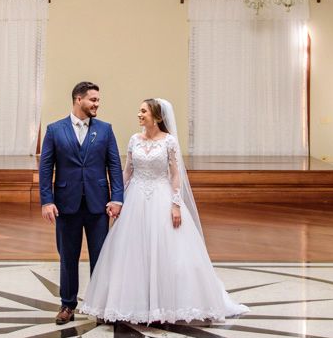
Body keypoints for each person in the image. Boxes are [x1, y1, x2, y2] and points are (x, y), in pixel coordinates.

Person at [79, 98, 248, 324]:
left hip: (162, 197)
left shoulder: (169, 141)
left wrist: (176, 204)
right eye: (139, 110)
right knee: (132, 252)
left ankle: (166, 304)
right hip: (135, 199)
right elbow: (127, 171)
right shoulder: (134, 139)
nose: (139, 114)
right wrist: (116, 198)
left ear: (156, 117)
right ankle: (132, 304)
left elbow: (176, 175)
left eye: (143, 111)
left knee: (167, 251)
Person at [38, 81, 124, 325]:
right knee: (68, 257)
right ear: (79, 99)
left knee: (101, 257)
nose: (97, 104)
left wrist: (117, 198)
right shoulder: (55, 130)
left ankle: (100, 306)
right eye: (93, 100)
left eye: (98, 100)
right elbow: (46, 167)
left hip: (99, 205)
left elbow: (114, 165)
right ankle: (67, 305)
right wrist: (47, 201)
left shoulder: (105, 130)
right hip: (66, 205)